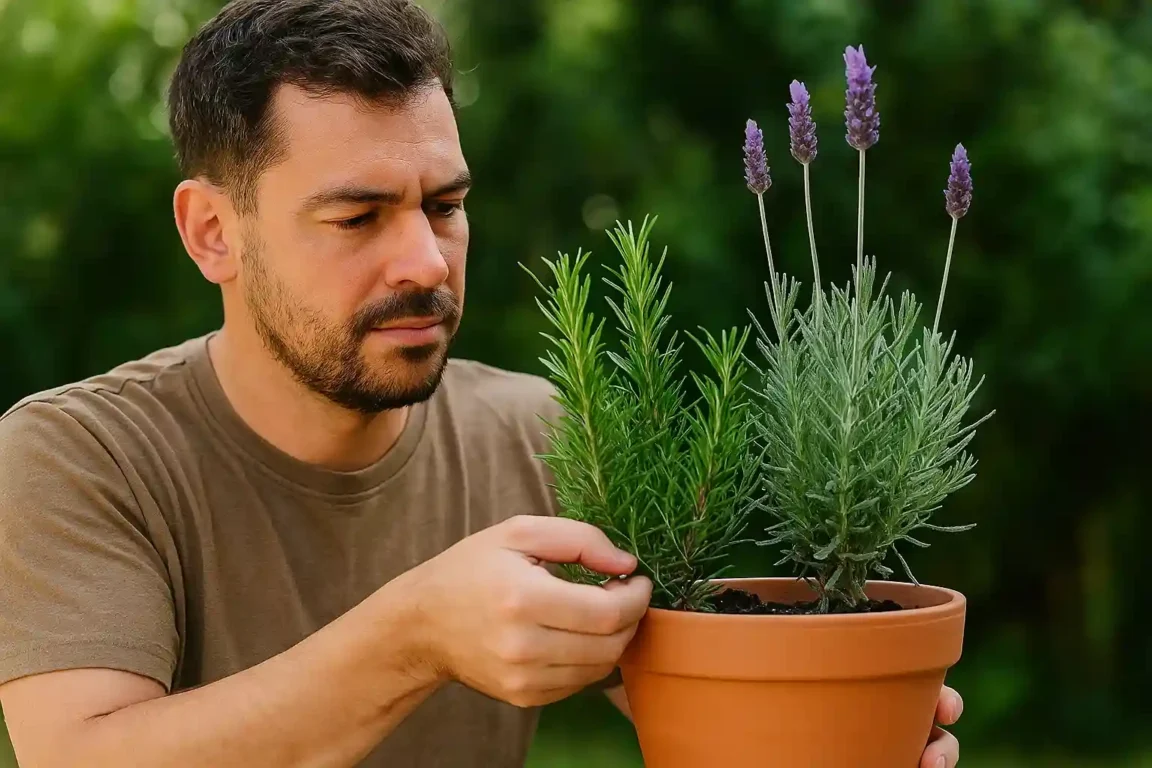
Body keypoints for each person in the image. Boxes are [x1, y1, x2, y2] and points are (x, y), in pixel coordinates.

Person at [0, 1, 963, 766]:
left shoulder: (545, 435)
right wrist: (415, 636)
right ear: (214, 232)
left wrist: (853, 712)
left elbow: (708, 700)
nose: (427, 260)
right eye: (357, 218)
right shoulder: (82, 457)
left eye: (445, 205)